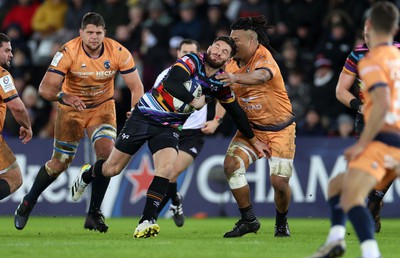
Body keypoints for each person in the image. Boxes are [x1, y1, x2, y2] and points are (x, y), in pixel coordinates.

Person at [70, 35, 271, 238]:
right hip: (143, 117)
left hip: (169, 127)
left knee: (166, 168)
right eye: (216, 46)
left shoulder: (220, 83)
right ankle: (88, 174)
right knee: (111, 169)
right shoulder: (192, 60)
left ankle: (146, 220)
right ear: (209, 47)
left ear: (228, 61)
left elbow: (236, 112)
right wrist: (195, 100)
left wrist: (254, 140)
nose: (218, 51)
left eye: (224, 52)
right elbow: (172, 83)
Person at [14, 12, 144, 233]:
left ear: (105, 34)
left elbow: (136, 87)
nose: (94, 37)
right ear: (81, 33)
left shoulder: (119, 52)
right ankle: (28, 201)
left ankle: (93, 213)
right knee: (60, 164)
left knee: (107, 156)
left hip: (103, 108)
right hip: (71, 110)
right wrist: (65, 97)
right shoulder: (67, 52)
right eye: (90, 33)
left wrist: (135, 110)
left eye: (98, 33)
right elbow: (45, 89)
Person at [308, 2, 400, 257]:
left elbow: (381, 103)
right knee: (339, 185)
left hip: (385, 136)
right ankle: (338, 239)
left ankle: (367, 251)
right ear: (395, 27)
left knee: (346, 192)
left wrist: (362, 143)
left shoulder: (370, 61)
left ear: (369, 27)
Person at [216, 15, 296, 238]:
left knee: (279, 183)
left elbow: (261, 77)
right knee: (231, 166)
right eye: (231, 40)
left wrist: (234, 78)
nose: (232, 45)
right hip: (252, 130)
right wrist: (216, 119)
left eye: (237, 41)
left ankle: (281, 222)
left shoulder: (264, 58)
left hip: (281, 130)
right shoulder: (230, 63)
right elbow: (223, 93)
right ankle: (248, 219)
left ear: (252, 42)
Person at [335, 21, 400, 233]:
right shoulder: (357, 55)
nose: (368, 38)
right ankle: (373, 203)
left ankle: (374, 201)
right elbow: (341, 90)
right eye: (365, 33)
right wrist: (359, 106)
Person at [153, 38, 226, 227]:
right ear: (178, 54)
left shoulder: (209, 75)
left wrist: (216, 121)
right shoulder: (165, 75)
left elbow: (224, 99)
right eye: (184, 52)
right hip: (168, 129)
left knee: (171, 172)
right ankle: (175, 201)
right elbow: (154, 99)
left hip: (193, 133)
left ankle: (150, 218)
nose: (187, 55)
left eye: (191, 52)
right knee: (165, 174)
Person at [0, 33, 32, 200]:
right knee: (14, 177)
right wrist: (27, 126)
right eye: (7, 50)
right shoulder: (2, 75)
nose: (11, 54)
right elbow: (17, 107)